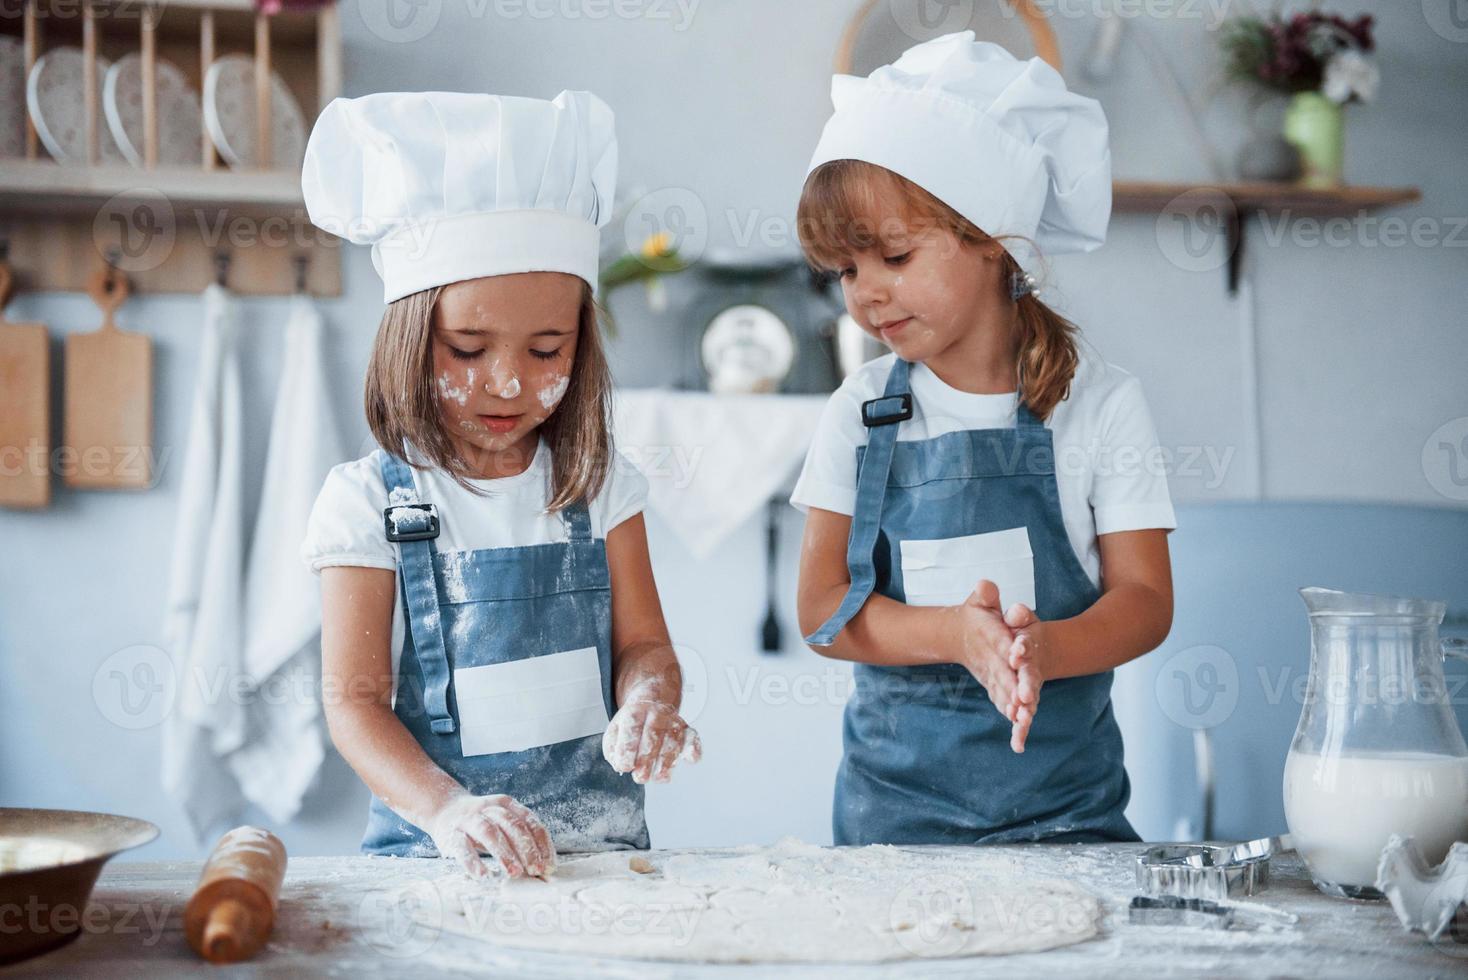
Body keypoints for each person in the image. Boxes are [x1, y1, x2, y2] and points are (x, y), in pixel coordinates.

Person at [298, 90, 700, 879]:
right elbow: (354, 703)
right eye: (468, 348)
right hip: (434, 862)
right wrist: (448, 807)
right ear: (413, 337)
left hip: (602, 864)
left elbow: (646, 647)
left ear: (581, 347)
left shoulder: (601, 486)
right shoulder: (368, 503)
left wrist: (651, 698)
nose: (509, 384)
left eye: (547, 349)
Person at [791, 33, 1176, 846]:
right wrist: (955, 637)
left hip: (1069, 822)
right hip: (891, 830)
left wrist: (1042, 650)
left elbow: (1144, 603)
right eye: (847, 271)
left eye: (893, 255)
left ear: (992, 236)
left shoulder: (1100, 404)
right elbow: (822, 611)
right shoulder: (858, 413)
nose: (867, 294)